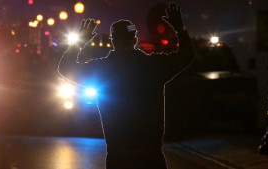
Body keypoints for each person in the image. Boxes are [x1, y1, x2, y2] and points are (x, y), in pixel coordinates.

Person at [58, 2, 195, 169]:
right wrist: (180, 29)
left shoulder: (103, 69)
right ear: (135, 40)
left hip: (119, 157)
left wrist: (80, 42)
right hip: (152, 156)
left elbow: (65, 67)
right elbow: (186, 56)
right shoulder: (152, 66)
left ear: (113, 41)